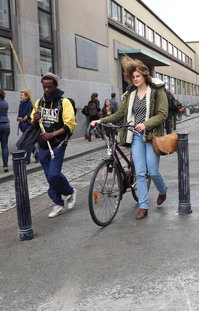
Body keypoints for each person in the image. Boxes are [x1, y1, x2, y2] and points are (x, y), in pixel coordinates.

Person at [91, 57, 168, 220]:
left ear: (144, 75)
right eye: (133, 77)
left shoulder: (157, 91)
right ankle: (143, 206)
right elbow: (120, 114)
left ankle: (162, 190)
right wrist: (101, 120)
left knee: (152, 171)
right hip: (136, 136)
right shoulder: (130, 94)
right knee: (140, 172)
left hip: (152, 136)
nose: (135, 79)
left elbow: (163, 114)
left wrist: (146, 124)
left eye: (138, 76)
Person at [31, 73, 77, 218]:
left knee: (54, 174)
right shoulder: (38, 103)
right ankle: (58, 202)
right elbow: (33, 123)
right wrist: (35, 119)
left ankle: (70, 191)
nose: (46, 90)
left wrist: (53, 134)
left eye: (49, 87)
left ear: (55, 86)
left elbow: (70, 125)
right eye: (44, 87)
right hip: (43, 144)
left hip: (58, 143)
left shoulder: (64, 102)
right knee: (49, 176)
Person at [17, 90, 34, 164]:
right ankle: (37, 156)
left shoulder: (29, 103)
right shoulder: (21, 104)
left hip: (28, 125)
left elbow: (31, 112)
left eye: (22, 95)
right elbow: (19, 113)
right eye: (20, 95)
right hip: (22, 125)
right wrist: (19, 118)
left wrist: (26, 117)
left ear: (26, 96)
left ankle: (27, 159)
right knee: (28, 141)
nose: (20, 96)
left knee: (28, 142)